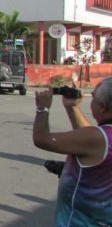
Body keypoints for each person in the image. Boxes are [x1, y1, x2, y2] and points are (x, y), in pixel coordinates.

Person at [33, 77, 112, 225]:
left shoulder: (99, 138)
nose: (91, 103)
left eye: (93, 99)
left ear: (103, 107)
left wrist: (42, 108)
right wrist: (72, 107)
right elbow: (88, 138)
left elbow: (41, 139)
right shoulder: (101, 137)